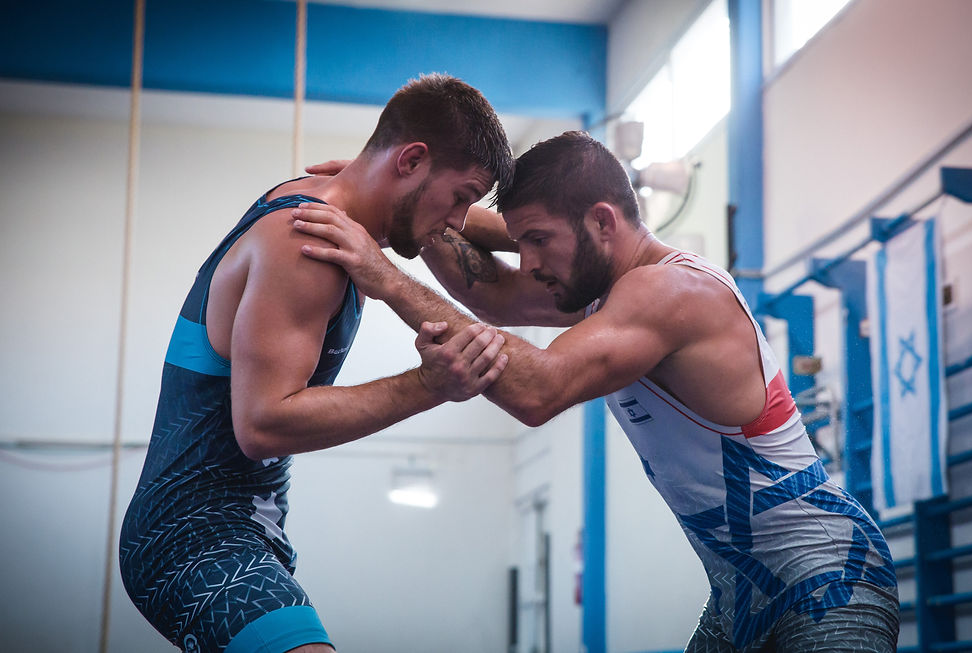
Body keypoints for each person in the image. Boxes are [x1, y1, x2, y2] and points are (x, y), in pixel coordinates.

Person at [291, 130, 900, 652]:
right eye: (520, 240)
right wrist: (413, 206)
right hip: (741, 594)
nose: (527, 262)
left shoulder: (668, 294)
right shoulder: (610, 294)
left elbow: (538, 392)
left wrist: (382, 272)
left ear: (603, 223)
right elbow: (491, 296)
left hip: (828, 576)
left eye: (537, 240)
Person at [118, 74, 514, 653]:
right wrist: (431, 384)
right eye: (460, 197)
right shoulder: (305, 244)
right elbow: (262, 425)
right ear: (410, 159)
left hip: (247, 529)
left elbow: (533, 254)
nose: (457, 223)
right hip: (192, 533)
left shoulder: (328, 202)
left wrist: (459, 201)